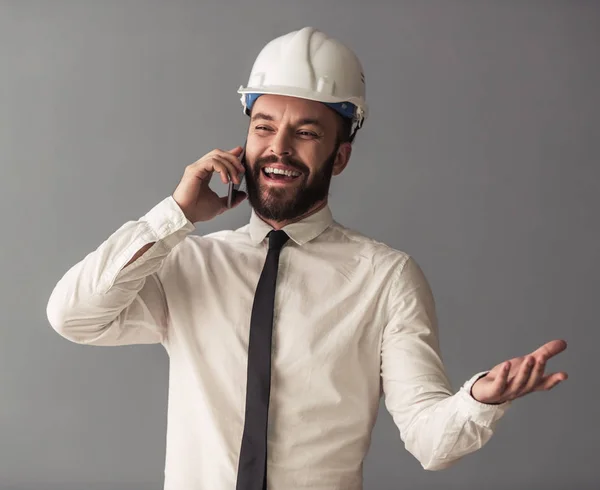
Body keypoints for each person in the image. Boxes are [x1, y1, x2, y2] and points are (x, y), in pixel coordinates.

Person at [46, 27, 568, 490]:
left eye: (307, 132)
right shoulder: (187, 263)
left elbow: (431, 442)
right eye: (264, 127)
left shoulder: (386, 277)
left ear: (339, 156)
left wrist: (482, 398)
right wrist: (176, 214)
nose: (279, 147)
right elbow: (74, 317)